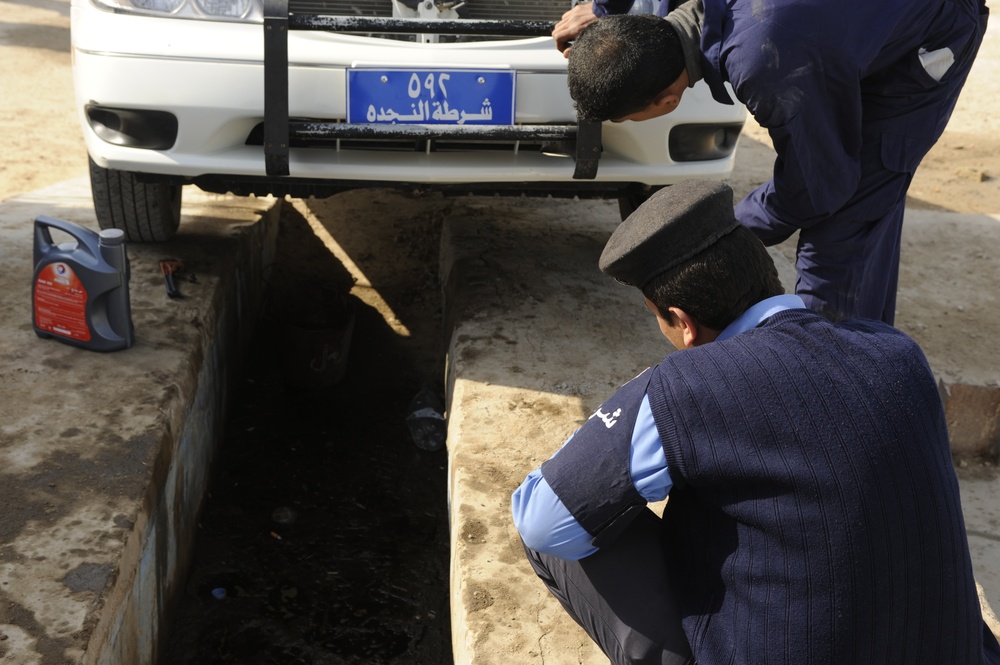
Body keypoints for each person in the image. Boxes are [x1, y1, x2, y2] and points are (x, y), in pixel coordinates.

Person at [511, 179, 1000, 664]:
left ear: (682, 322)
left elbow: (544, 519)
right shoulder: (898, 352)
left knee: (558, 511)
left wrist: (651, 391)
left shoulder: (688, 387)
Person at [552, 0, 989, 325]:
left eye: (633, 118)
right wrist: (606, 10)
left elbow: (819, 184)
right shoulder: (704, 30)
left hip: (934, 25)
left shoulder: (766, 64)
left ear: (665, 100)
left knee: (844, 227)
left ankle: (843, 390)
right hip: (848, 20)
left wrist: (723, 232)